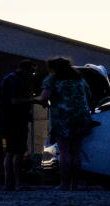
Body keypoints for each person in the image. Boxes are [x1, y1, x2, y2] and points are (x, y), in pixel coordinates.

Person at [39, 57, 94, 191]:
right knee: (76, 152)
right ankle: (74, 184)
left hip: (62, 117)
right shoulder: (79, 79)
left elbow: (44, 97)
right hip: (80, 117)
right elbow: (89, 95)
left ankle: (64, 184)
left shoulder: (52, 79)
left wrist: (44, 103)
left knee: (64, 152)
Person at [0, 60, 39, 191]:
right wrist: (33, 100)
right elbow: (14, 100)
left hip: (9, 120)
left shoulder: (10, 79)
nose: (32, 74)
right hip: (15, 120)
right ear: (24, 69)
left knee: (10, 151)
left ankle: (9, 183)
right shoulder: (15, 80)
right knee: (17, 151)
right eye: (31, 71)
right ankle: (17, 183)